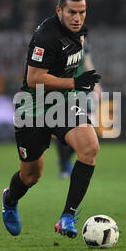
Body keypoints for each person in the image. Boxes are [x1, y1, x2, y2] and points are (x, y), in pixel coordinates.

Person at [1, 0, 101, 238]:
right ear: (59, 11)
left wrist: (81, 85)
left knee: (89, 148)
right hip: (32, 107)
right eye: (72, 12)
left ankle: (67, 216)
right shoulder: (46, 36)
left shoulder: (79, 34)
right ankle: (10, 200)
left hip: (62, 103)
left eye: (82, 12)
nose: (77, 18)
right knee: (31, 176)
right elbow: (34, 79)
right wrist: (75, 84)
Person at [54, 41, 101, 179]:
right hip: (63, 90)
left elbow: (88, 63)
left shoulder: (82, 44)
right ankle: (64, 165)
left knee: (89, 127)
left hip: (82, 90)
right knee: (63, 129)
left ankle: (65, 158)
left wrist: (96, 85)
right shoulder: (56, 43)